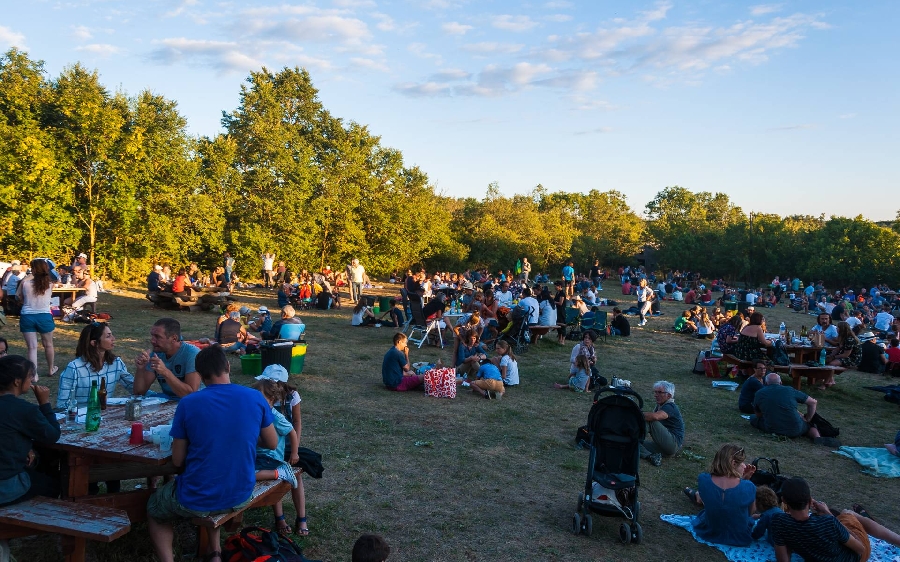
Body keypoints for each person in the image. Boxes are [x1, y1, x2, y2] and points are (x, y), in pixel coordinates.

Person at [146, 345, 276, 562]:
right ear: (227, 366)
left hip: (198, 498)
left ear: (199, 374)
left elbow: (178, 460)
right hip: (240, 493)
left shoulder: (189, 403)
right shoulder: (255, 397)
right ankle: (214, 552)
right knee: (214, 481)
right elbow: (271, 443)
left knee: (154, 507)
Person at [770, 477, 900, 562]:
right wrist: (828, 513)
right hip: (855, 557)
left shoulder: (779, 523)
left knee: (843, 518)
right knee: (848, 513)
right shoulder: (828, 522)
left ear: (784, 501)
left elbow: (783, 559)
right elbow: (860, 549)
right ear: (810, 501)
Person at [0, 355, 61, 507]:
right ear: (17, 381)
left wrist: (29, 447)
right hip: (5, 487)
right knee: (56, 484)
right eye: (30, 376)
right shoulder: (23, 410)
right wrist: (45, 403)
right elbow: (53, 435)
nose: (33, 380)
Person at [255, 365, 309, 536]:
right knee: (271, 473)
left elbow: (297, 423)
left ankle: (302, 517)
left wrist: (295, 450)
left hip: (286, 446)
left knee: (297, 474)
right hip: (268, 447)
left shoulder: (291, 397)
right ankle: (280, 517)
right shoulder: (262, 400)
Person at [685, 443, 757, 546]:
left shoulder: (704, 479)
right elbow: (750, 513)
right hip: (738, 536)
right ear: (733, 463)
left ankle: (693, 494)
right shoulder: (749, 486)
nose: (744, 466)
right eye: (742, 462)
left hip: (710, 531)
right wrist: (744, 481)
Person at [57, 322, 134, 408]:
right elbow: (62, 405)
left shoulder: (116, 363)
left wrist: (141, 370)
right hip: (81, 417)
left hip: (106, 414)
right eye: (108, 336)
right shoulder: (74, 368)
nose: (113, 338)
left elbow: (134, 389)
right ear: (94, 343)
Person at [133, 318, 201, 399]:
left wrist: (165, 372)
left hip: (195, 404)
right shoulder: (156, 354)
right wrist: (141, 369)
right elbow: (139, 393)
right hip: (169, 402)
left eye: (157, 337)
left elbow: (191, 396)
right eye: (152, 336)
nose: (152, 341)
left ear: (174, 338)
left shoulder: (192, 354)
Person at [17, 259, 56, 379]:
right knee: (48, 345)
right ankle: (51, 369)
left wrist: (26, 278)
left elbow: (18, 296)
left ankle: (34, 375)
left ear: (34, 270)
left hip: (27, 316)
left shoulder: (26, 284)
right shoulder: (50, 284)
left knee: (32, 347)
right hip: (44, 316)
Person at [751, 373, 821, 440]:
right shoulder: (789, 390)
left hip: (773, 429)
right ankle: (817, 438)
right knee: (809, 426)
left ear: (765, 383)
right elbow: (813, 402)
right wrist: (808, 419)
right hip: (795, 429)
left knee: (753, 418)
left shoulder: (759, 393)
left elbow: (759, 415)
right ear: (781, 383)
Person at [639, 381, 684, 466]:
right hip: (664, 447)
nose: (656, 395)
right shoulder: (660, 405)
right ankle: (650, 456)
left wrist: (635, 413)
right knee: (631, 443)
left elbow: (655, 417)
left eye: (659, 392)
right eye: (655, 392)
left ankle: (634, 434)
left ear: (669, 395)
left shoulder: (670, 406)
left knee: (651, 420)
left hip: (672, 444)